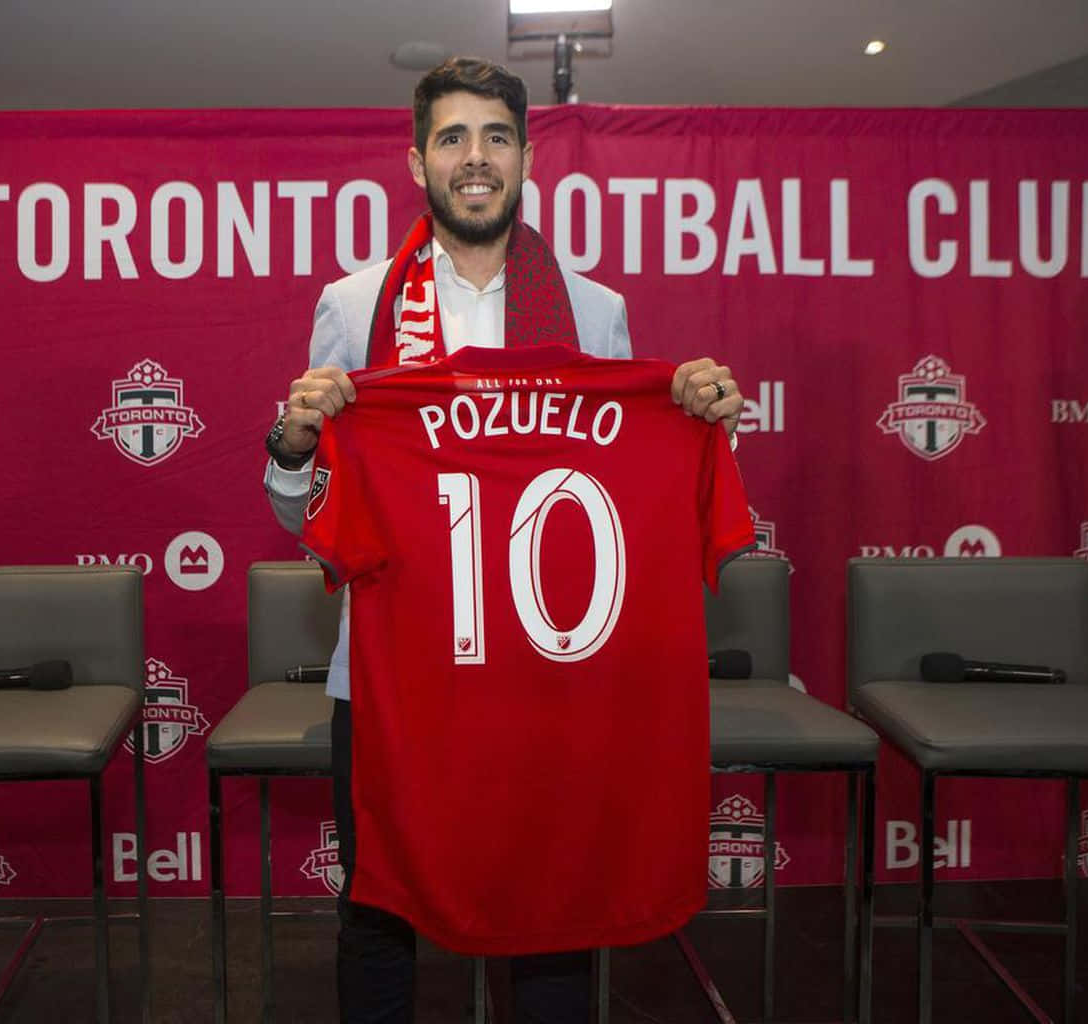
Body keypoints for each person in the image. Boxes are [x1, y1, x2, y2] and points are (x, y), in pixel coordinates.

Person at [264, 57, 744, 1024]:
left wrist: (698, 415)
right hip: (397, 678)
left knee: (553, 910)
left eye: (494, 137)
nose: (473, 159)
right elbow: (310, 518)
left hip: (546, 676)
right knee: (377, 907)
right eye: (452, 139)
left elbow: (627, 483)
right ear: (416, 162)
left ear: (525, 157)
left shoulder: (596, 307)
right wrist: (293, 444)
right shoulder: (356, 305)